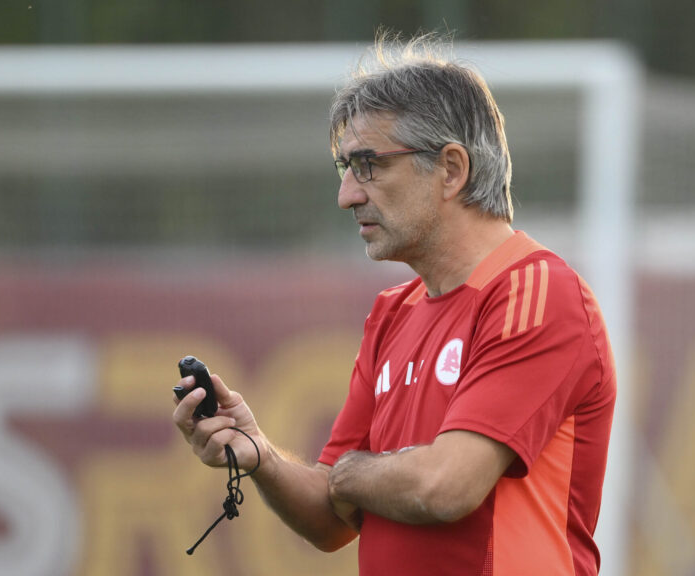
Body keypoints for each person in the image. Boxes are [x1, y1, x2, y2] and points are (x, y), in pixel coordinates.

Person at [173, 31, 617, 576]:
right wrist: (259, 453)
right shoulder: (393, 313)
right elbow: (331, 521)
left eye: (369, 164)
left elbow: (443, 486)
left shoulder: (536, 293)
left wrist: (349, 476)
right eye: (345, 169)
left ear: (451, 169)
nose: (347, 195)